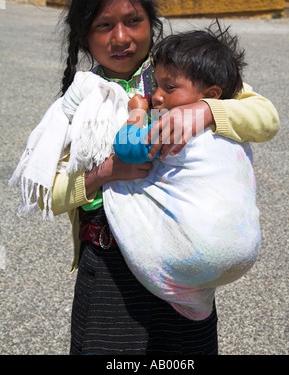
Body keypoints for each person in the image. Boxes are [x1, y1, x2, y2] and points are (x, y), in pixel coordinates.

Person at [10, 0, 279, 355]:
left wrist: (205, 111)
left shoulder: (185, 77)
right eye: (104, 25)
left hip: (177, 262)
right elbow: (49, 194)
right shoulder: (80, 104)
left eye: (133, 20)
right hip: (108, 270)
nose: (122, 37)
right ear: (84, 35)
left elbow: (266, 118)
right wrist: (104, 173)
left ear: (151, 21)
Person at [79, 23, 260, 322]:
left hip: (198, 247)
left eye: (169, 88)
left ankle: (183, 293)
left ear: (211, 94)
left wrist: (136, 113)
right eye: (157, 86)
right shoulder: (227, 121)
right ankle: (196, 298)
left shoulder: (171, 127)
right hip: (245, 246)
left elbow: (126, 148)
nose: (157, 97)